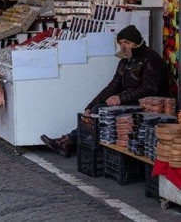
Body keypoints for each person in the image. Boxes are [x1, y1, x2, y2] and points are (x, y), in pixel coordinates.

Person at [40, 25, 169, 157]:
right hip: (132, 101)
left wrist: (121, 98)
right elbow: (112, 86)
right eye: (121, 43)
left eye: (127, 43)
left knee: (99, 110)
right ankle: (68, 141)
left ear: (137, 43)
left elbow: (149, 88)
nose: (123, 47)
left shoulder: (151, 58)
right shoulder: (125, 62)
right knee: (95, 108)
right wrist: (90, 106)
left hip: (150, 106)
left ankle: (68, 141)